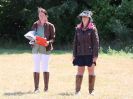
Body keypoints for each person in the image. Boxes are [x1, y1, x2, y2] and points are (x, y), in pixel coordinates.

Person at [73, 10, 99, 95]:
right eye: (83, 17)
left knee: (91, 72)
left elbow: (96, 43)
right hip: (80, 54)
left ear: (89, 18)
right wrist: (74, 54)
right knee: (79, 72)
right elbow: (75, 42)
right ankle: (77, 91)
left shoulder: (93, 29)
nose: (84, 19)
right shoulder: (78, 29)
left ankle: (91, 91)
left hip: (90, 54)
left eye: (86, 17)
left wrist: (95, 55)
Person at [31, 7, 55, 93]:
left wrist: (48, 42)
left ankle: (46, 89)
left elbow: (53, 38)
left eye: (42, 15)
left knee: (45, 67)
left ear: (46, 16)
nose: (40, 16)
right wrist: (31, 40)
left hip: (46, 48)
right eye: (39, 15)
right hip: (36, 49)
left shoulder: (50, 26)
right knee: (36, 67)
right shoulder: (35, 24)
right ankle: (36, 88)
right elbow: (32, 35)